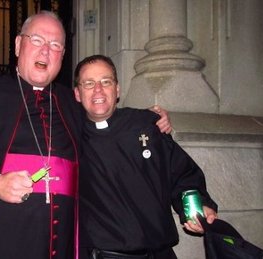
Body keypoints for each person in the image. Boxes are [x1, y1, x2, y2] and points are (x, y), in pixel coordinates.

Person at [0, 12, 171, 259]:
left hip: (62, 245)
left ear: (62, 56)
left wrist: (147, 119)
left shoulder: (71, 103)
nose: (46, 51)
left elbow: (106, 119)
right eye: (37, 40)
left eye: (55, 45)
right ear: (18, 45)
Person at [73, 55, 218, 259]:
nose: (98, 90)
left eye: (106, 81)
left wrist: (197, 206)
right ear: (77, 94)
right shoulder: (69, 135)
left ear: (117, 89)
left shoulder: (146, 124)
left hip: (160, 254)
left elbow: (182, 174)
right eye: (89, 84)